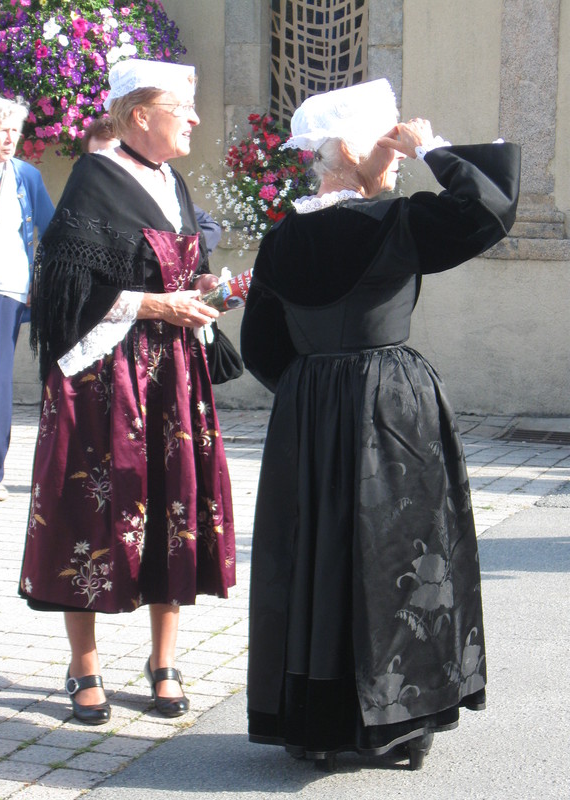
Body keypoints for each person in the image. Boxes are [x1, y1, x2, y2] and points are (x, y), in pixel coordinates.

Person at [241, 79, 520, 770]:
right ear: (345, 147)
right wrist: (435, 149)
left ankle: (317, 723)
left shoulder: (283, 240)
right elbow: (491, 208)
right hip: (391, 411)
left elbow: (262, 348)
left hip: (308, 412)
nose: (397, 152)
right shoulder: (397, 223)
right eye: (387, 139)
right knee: (395, 555)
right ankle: (394, 725)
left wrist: (315, 395)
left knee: (319, 560)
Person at [18, 59, 236, 726]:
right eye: (183, 107)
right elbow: (63, 294)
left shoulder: (170, 181)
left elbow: (174, 268)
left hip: (171, 371)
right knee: (90, 512)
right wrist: (155, 305)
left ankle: (163, 658)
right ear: (140, 116)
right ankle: (84, 666)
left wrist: (202, 293)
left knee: (173, 503)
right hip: (102, 380)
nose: (196, 119)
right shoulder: (94, 178)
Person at [0, 95, 54, 502]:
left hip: (3, 289)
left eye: (15, 131)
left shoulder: (25, 176)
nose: (11, 138)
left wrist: (40, 278)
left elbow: (50, 229)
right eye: (3, 129)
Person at [82, 116, 222, 253]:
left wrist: (176, 255)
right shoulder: (83, 209)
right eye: (99, 159)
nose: (107, 167)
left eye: (115, 156)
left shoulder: (162, 194)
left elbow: (210, 228)